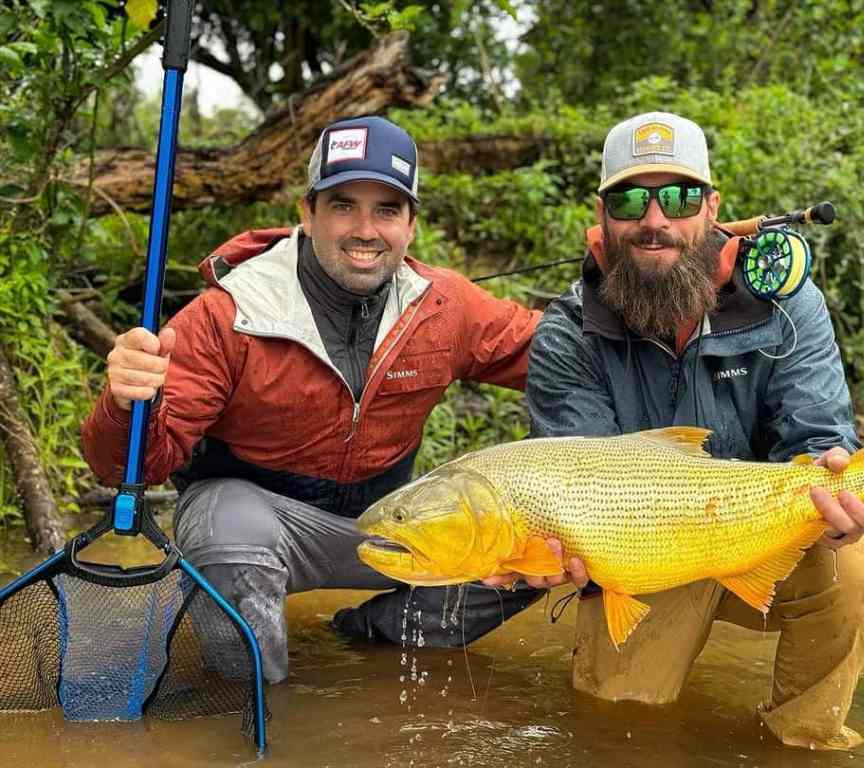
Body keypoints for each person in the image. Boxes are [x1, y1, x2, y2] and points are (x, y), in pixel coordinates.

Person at [81, 116, 550, 683]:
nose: (365, 230)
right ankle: (255, 702)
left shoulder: (446, 306)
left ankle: (373, 635)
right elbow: (126, 467)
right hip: (259, 523)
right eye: (343, 206)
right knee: (230, 529)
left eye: (386, 210)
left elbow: (557, 355)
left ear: (411, 225)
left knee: (538, 543)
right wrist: (127, 402)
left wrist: (613, 292)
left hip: (385, 525)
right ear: (308, 213)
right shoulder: (227, 313)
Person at [518, 112, 864, 751]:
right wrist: (549, 551)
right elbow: (574, 485)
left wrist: (833, 491)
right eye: (629, 200)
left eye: (679, 197)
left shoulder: (788, 305)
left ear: (712, 208)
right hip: (641, 554)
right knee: (616, 730)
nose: (654, 220)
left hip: (763, 532)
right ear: (602, 216)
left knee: (850, 568)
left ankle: (802, 741)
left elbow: (817, 435)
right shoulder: (567, 335)